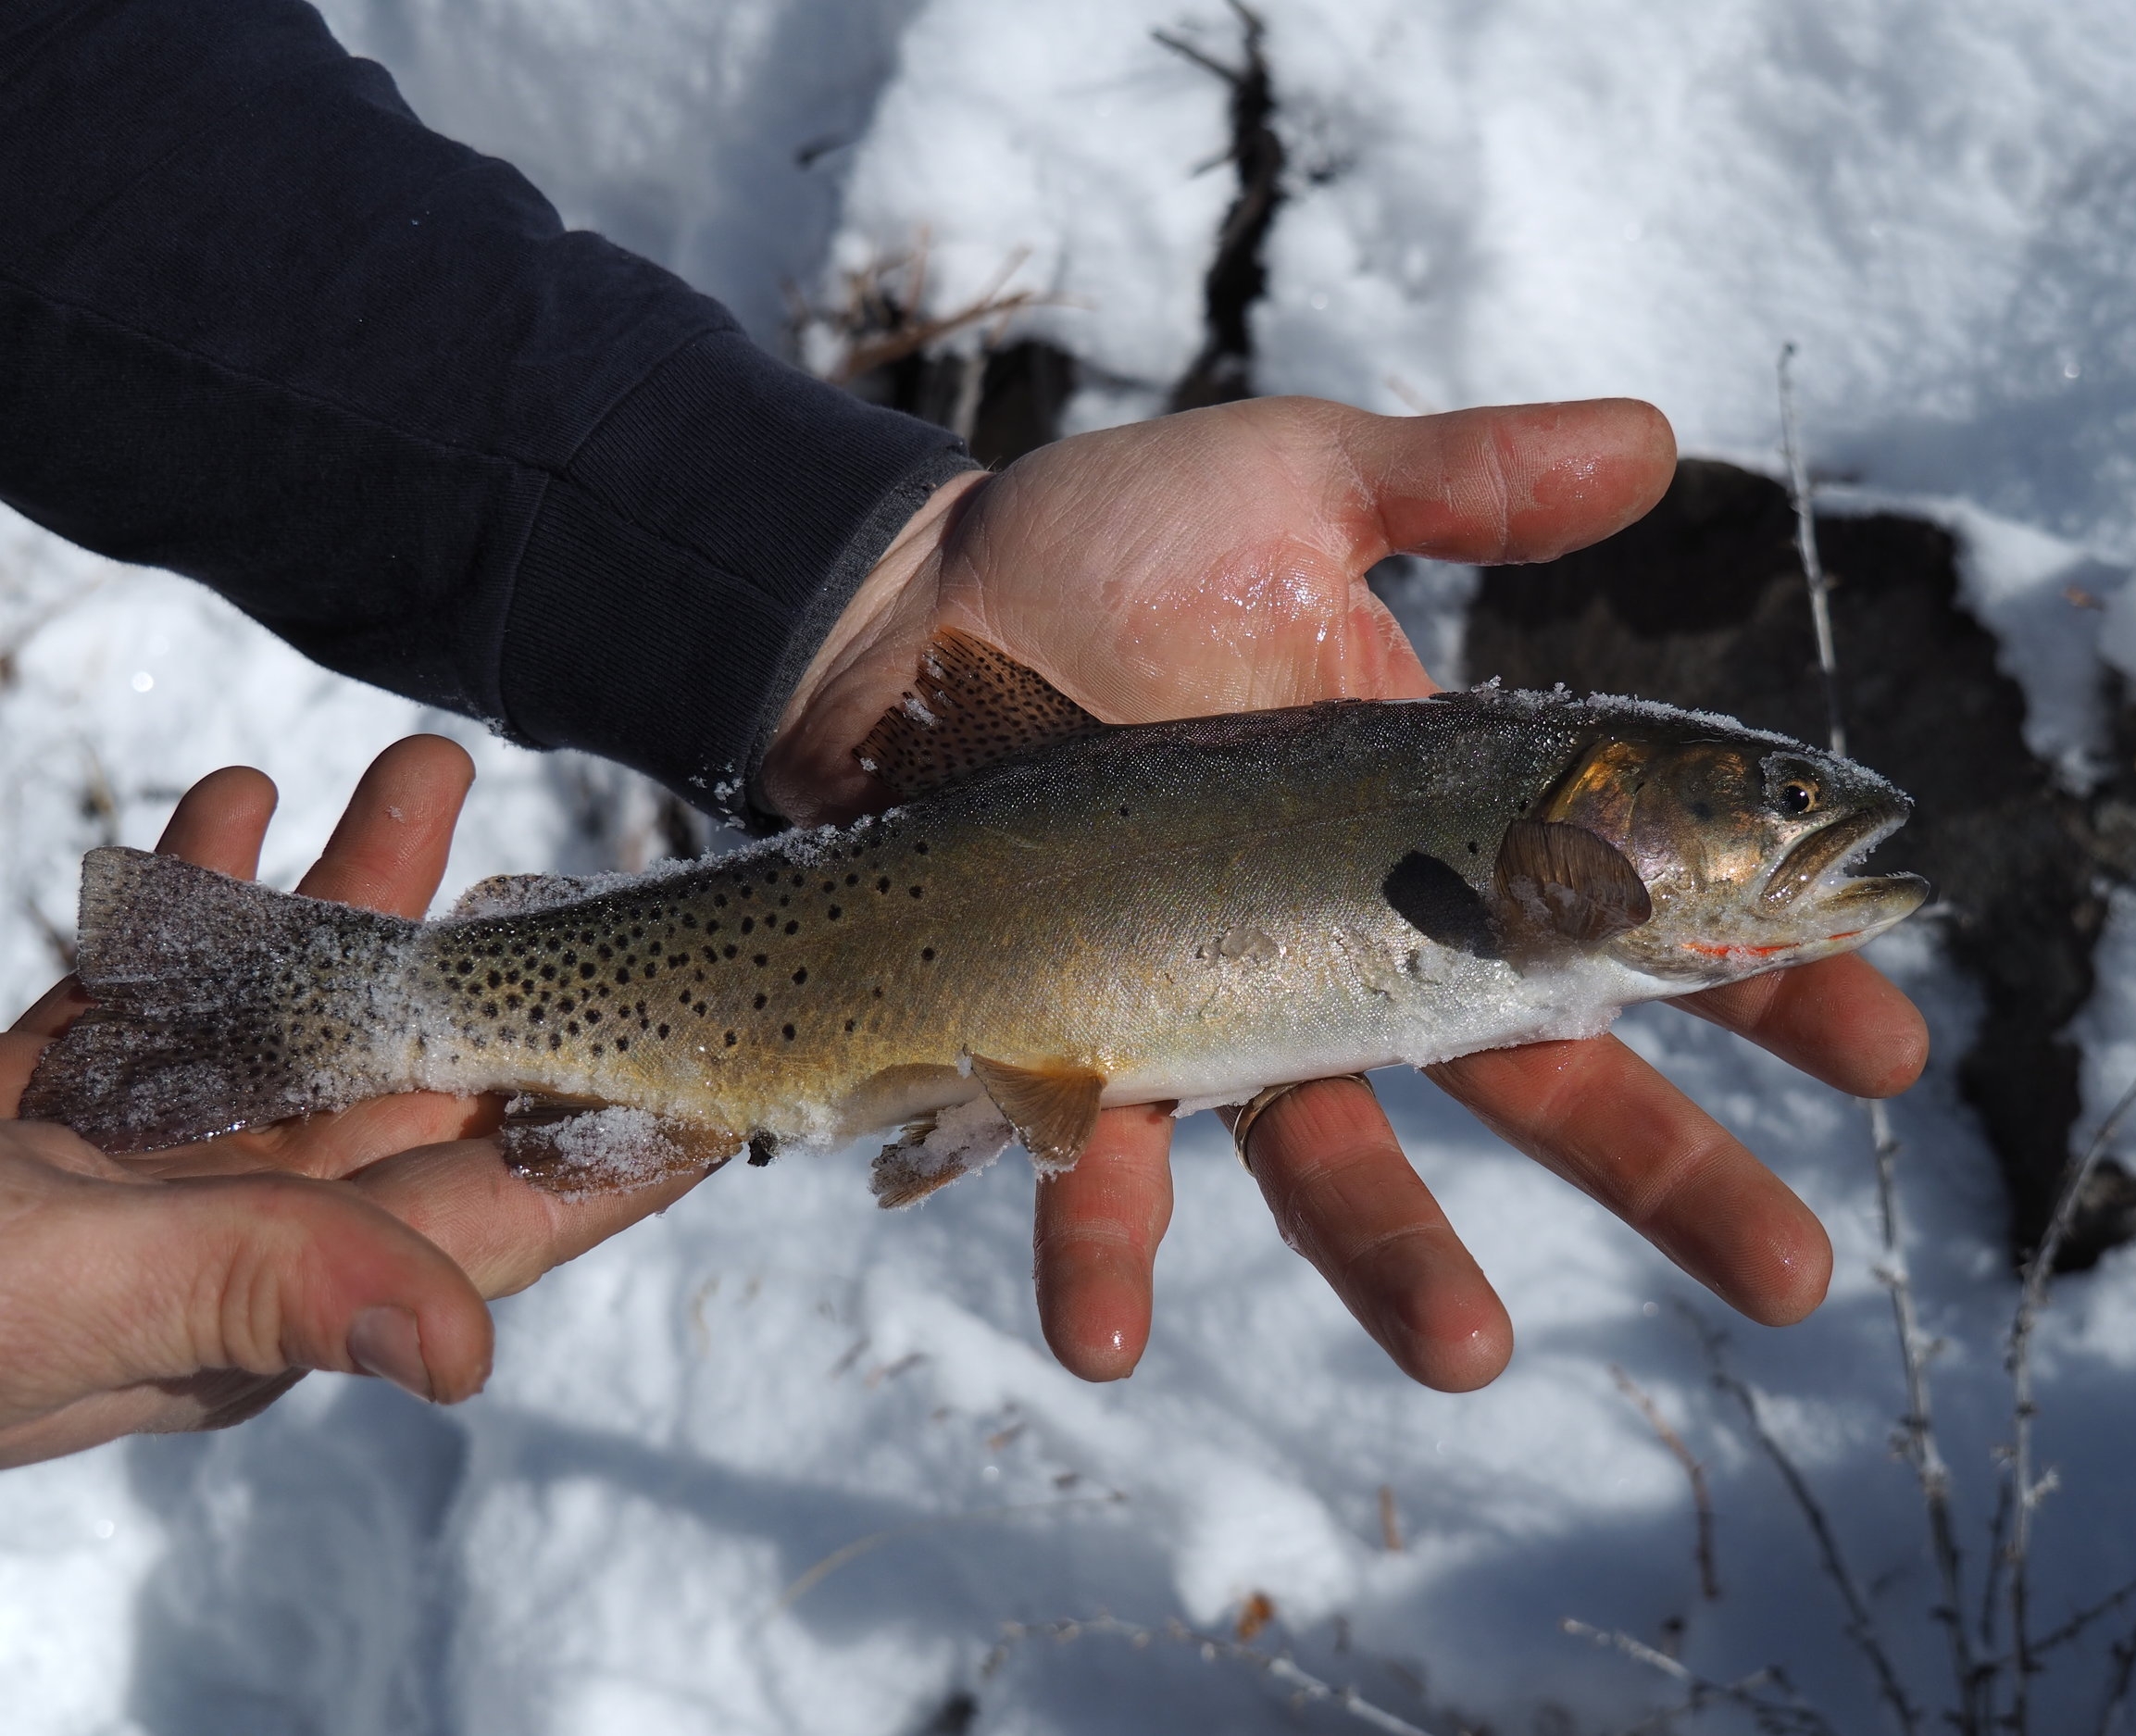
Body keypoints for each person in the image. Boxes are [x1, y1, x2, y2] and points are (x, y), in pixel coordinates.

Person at [0, 0, 1928, 1467]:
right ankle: (331, 1002)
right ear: (1600, 812)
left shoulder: (1531, 870)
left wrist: (839, 605)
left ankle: (329, 1000)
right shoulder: (1519, 840)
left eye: (1788, 802)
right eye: (1771, 798)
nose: (1801, 823)